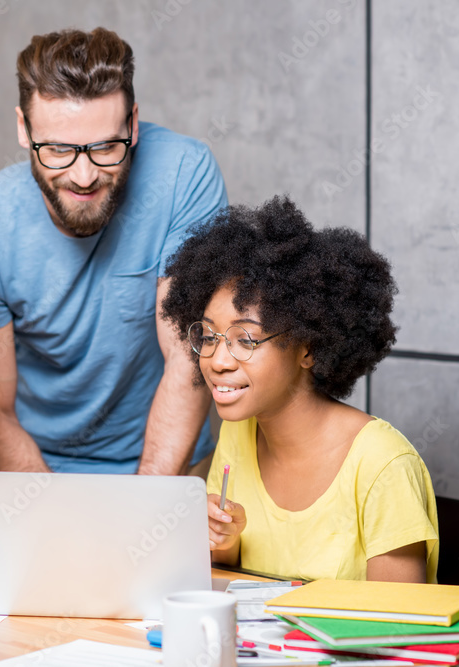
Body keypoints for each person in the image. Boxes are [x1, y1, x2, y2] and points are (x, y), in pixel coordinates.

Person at [0, 27, 228, 474]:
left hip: (166, 463)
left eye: (104, 147)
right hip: (33, 469)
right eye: (57, 149)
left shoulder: (184, 176)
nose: (83, 175)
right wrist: (48, 511)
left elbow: (186, 355)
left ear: (133, 124)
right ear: (24, 129)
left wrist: (139, 514)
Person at [161, 196, 439, 583]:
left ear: (308, 347)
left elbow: (400, 624)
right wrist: (225, 538)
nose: (217, 360)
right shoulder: (237, 433)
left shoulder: (382, 464)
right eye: (208, 335)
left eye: (245, 339)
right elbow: (229, 580)